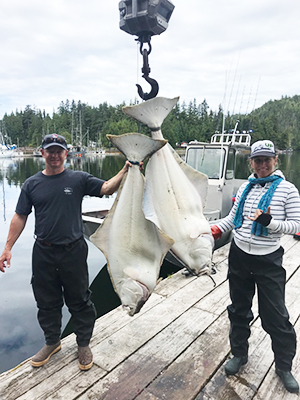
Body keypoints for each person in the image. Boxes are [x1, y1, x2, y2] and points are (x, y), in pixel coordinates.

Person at [0, 133, 134, 371]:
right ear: (42, 153)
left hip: (73, 251)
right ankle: (52, 342)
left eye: (58, 150)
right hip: (43, 251)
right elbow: (20, 216)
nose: (54, 155)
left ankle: (83, 344)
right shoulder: (31, 184)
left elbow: (105, 188)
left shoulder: (78, 179)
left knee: (80, 300)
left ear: (66, 153)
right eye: (50, 151)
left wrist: (125, 170)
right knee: (46, 301)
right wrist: (8, 247)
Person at [211, 139, 300, 393]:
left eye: (266, 160)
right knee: (239, 310)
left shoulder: (288, 190)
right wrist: (212, 228)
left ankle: (283, 366)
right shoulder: (247, 188)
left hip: (268, 260)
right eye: (257, 160)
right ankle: (239, 355)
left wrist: (270, 222)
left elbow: (296, 225)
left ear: (275, 160)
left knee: (276, 317)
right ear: (250, 161)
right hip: (239, 256)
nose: (262, 165)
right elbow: (231, 219)